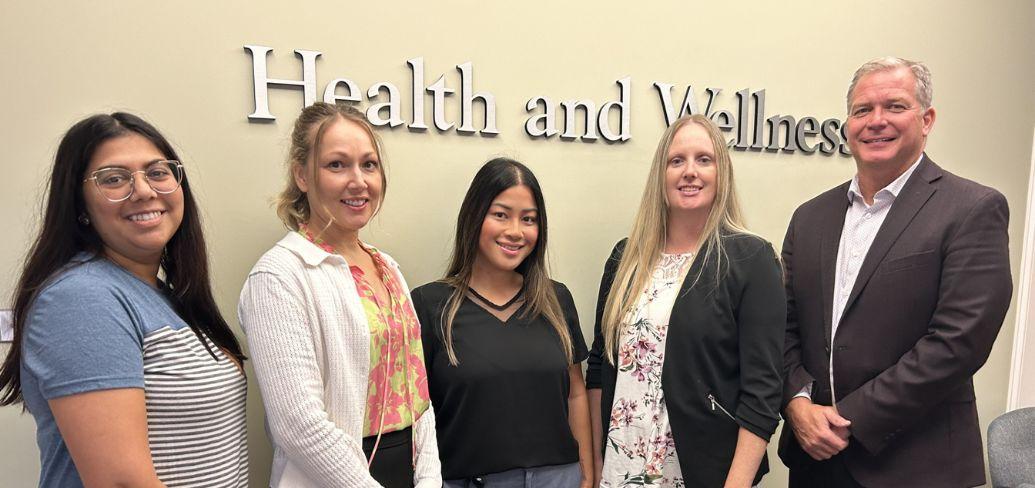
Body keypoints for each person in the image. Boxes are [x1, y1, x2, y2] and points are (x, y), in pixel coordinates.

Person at [778, 57, 1013, 488]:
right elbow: (785, 325)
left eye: (895, 106)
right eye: (862, 110)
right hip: (815, 462)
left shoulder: (971, 209)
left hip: (915, 465)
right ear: (847, 124)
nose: (876, 121)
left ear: (927, 120)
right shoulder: (809, 218)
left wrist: (850, 418)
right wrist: (797, 403)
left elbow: (959, 342)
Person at [0, 113, 249, 487]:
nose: (145, 191)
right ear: (80, 206)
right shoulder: (81, 299)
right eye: (114, 179)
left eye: (158, 172)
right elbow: (121, 482)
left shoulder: (163, 294)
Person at [238, 102, 440, 488]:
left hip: (408, 472)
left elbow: (418, 394)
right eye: (336, 165)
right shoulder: (278, 276)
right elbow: (297, 426)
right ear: (301, 174)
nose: (358, 181)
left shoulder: (387, 267)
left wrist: (429, 479)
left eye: (368, 164)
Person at [586, 114, 785, 487]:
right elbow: (599, 366)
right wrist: (598, 465)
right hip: (621, 467)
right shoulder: (624, 259)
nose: (689, 172)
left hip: (701, 474)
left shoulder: (750, 259)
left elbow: (763, 392)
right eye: (677, 160)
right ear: (660, 175)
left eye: (703, 160)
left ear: (721, 172)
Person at [411, 158, 593, 487]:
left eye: (528, 219)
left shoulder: (556, 300)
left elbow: (575, 393)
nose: (515, 231)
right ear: (474, 215)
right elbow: (416, 413)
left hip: (559, 478)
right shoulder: (431, 305)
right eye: (501, 214)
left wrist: (586, 472)